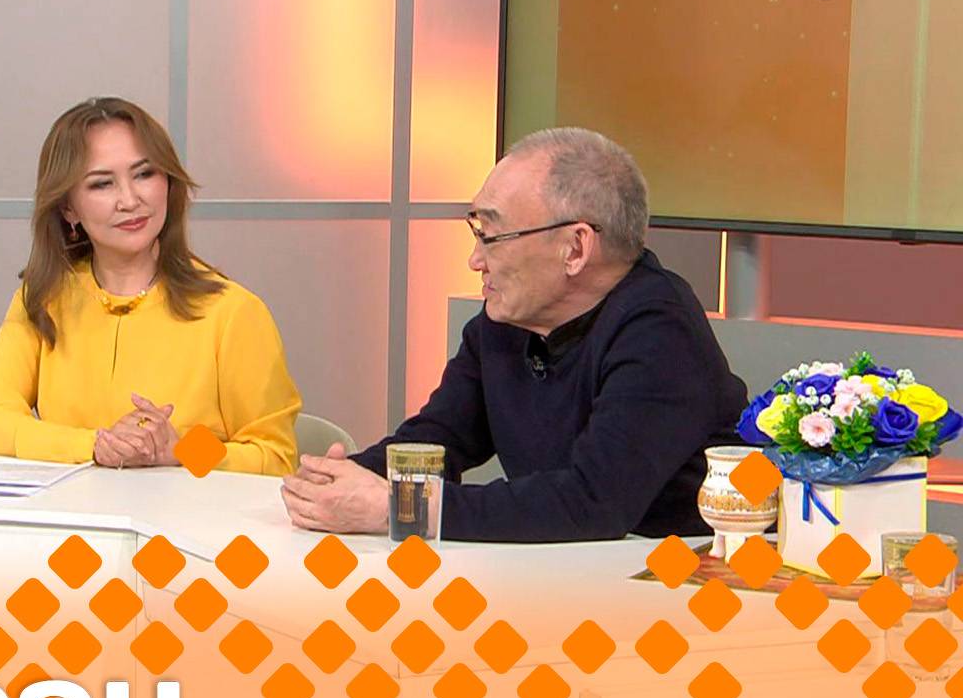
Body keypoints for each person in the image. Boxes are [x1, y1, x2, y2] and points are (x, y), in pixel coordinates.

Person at [282, 127, 745, 540]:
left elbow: (594, 502)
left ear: (575, 248)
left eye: (491, 236)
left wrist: (397, 508)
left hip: (671, 582)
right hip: (559, 574)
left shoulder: (661, 330)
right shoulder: (505, 322)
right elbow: (439, 439)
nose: (474, 261)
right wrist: (340, 480)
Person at [0, 97, 300, 476]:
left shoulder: (233, 312)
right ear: (68, 208)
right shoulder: (44, 300)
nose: (130, 200)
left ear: (168, 183)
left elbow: (276, 458)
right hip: (72, 512)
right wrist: (96, 446)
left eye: (144, 174)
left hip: (188, 516)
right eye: (102, 184)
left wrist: (183, 451)